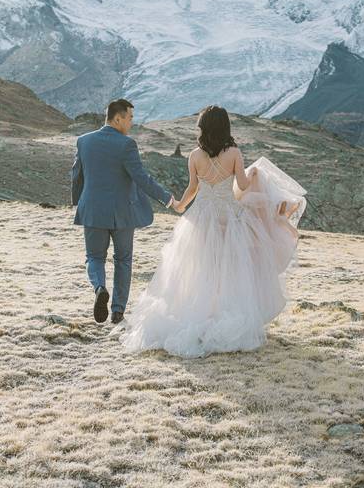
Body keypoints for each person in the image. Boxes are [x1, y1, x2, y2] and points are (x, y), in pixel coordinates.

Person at [119, 105, 306, 358]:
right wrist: (254, 174)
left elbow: (193, 188)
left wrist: (180, 205)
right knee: (229, 270)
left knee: (199, 269)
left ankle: (197, 313)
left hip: (201, 218)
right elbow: (242, 185)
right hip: (229, 218)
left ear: (203, 128)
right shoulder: (234, 153)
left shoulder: (195, 155)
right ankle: (224, 315)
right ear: (225, 127)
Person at [71, 99, 177, 325]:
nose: (131, 123)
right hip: (122, 213)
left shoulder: (83, 141)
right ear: (117, 118)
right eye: (129, 118)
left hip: (92, 210)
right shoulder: (126, 145)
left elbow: (76, 175)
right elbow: (141, 178)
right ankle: (118, 312)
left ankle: (100, 288)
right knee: (123, 261)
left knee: (94, 257)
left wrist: (77, 203)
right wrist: (168, 199)